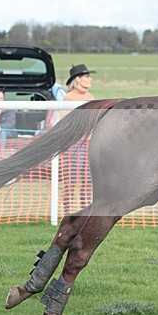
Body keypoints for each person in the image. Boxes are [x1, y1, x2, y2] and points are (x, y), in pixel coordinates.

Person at [60, 64, 96, 213]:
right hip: (74, 145)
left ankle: (84, 210)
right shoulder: (68, 98)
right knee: (71, 180)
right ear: (78, 79)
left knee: (88, 181)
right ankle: (68, 212)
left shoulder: (91, 98)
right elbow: (65, 122)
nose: (90, 80)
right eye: (87, 77)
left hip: (90, 144)